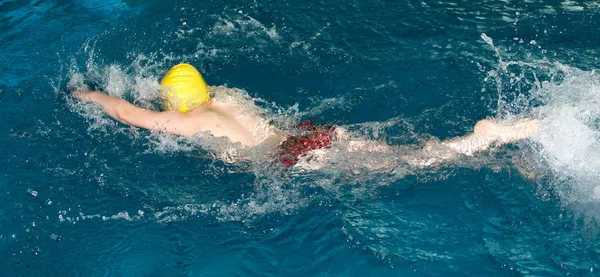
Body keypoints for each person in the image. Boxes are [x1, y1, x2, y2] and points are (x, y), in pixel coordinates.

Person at [72, 63, 539, 169]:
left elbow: (130, 114)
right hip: (308, 135)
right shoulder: (227, 97)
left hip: (294, 155)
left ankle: (484, 137)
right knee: (403, 154)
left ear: (177, 103)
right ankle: (497, 144)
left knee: (411, 165)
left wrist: (87, 94)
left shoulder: (194, 122)